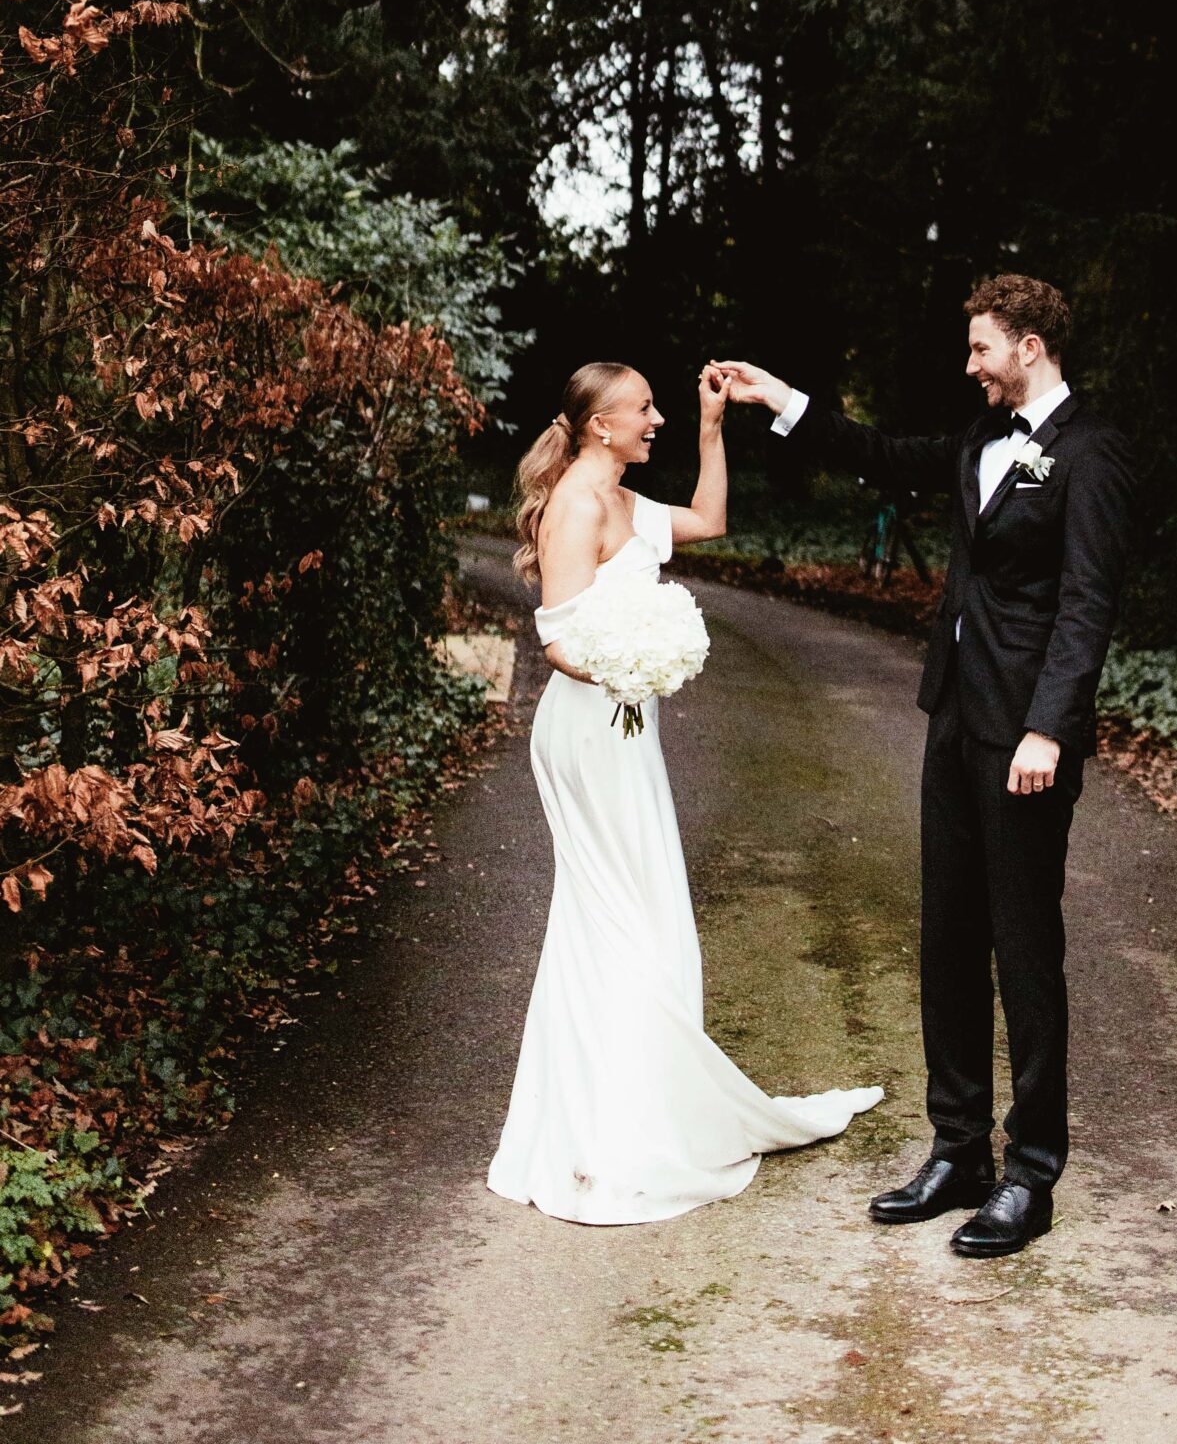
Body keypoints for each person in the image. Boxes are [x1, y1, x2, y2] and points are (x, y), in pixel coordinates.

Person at [717, 273, 1137, 1257]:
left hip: (1025, 736)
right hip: (953, 717)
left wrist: (1049, 728)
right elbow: (883, 454)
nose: (970, 365)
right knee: (948, 934)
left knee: (1025, 949)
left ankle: (1031, 1170)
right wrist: (781, 399)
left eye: (982, 347)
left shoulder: (1093, 454)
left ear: (1030, 346)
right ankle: (960, 1148)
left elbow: (1087, 603)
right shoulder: (975, 440)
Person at [486, 357, 881, 1225]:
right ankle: (606, 1134)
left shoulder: (625, 501)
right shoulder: (577, 505)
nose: (654, 418)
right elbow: (555, 641)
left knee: (641, 917)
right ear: (599, 425)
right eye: (644, 409)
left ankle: (630, 1106)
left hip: (627, 728)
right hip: (590, 730)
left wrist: (712, 427)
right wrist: (639, 664)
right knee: (617, 916)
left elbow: (710, 517)